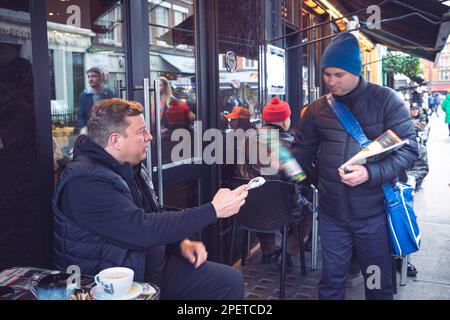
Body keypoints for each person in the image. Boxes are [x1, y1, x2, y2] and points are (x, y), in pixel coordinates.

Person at [53, 98, 249, 300]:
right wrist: (213, 210)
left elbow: (153, 213)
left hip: (147, 265)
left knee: (229, 281)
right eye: (141, 132)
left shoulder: (126, 166)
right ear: (115, 140)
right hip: (115, 282)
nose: (150, 137)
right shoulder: (84, 184)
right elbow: (141, 228)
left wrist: (179, 243)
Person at [291, 32, 418, 300]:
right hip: (332, 215)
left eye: (339, 74)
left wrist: (370, 174)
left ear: (356, 71)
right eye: (327, 74)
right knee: (332, 281)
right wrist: (307, 177)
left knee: (376, 283)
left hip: (374, 215)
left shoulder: (386, 100)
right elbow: (302, 150)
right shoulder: (316, 109)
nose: (331, 81)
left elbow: (409, 149)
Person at [237, 97, 302, 267]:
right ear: (284, 120)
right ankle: (288, 252)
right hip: (282, 209)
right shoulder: (288, 143)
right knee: (310, 209)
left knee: (262, 198)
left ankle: (269, 251)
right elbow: (299, 176)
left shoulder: (247, 140)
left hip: (249, 206)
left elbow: (242, 170)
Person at [77, 67, 115, 131]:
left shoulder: (109, 93)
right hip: (90, 131)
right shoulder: (83, 95)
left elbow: (114, 113)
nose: (90, 79)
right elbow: (81, 116)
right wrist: (83, 128)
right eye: (89, 77)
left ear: (100, 78)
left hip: (107, 130)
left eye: (93, 76)